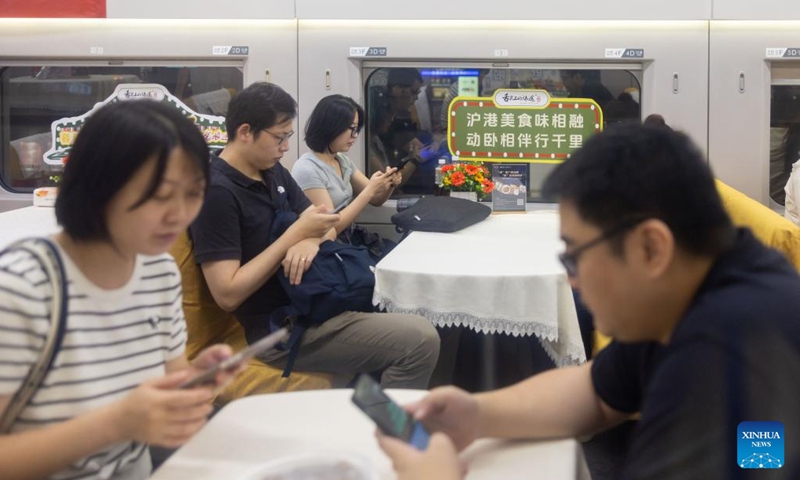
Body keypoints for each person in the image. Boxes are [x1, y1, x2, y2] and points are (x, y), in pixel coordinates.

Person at [377, 124, 800, 480]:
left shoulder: (738, 350)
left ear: (651, 248)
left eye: (576, 255)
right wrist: (477, 413)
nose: (574, 281)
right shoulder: (693, 288)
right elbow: (595, 393)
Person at [0, 100, 242, 480]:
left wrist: (195, 381)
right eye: (161, 195)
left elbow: (169, 376)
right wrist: (117, 424)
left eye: (194, 193)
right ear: (98, 187)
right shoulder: (21, 288)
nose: (179, 215)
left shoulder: (158, 271)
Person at [189, 82, 440, 388]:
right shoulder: (217, 193)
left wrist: (307, 238)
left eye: (288, 137)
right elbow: (227, 293)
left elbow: (318, 218)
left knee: (420, 303)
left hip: (318, 295)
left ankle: (373, 415)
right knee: (420, 339)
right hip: (285, 326)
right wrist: (293, 237)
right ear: (245, 132)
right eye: (280, 138)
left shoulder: (271, 170)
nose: (285, 148)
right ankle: (386, 430)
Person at [291, 94, 401, 239]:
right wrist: (369, 190)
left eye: (356, 129)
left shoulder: (342, 160)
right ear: (331, 127)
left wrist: (389, 184)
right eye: (351, 129)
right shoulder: (307, 169)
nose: (354, 136)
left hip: (349, 236)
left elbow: (376, 199)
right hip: (328, 244)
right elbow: (329, 228)